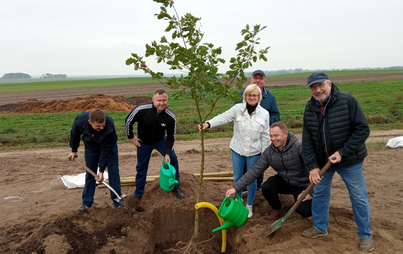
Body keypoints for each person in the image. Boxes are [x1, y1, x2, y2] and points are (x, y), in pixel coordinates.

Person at [301, 72, 374, 251]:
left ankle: (365, 234)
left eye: (321, 85)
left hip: (350, 160)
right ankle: (319, 227)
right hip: (322, 161)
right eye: (313, 87)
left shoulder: (347, 100)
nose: (318, 90)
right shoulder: (309, 109)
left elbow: (362, 130)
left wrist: (343, 152)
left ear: (330, 84)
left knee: (358, 197)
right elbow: (307, 141)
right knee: (320, 194)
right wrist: (312, 167)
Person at [199, 84, 271, 218]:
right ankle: (238, 202)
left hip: (254, 152)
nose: (252, 97)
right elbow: (224, 117)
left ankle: (249, 205)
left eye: (255, 95)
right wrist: (209, 124)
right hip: (237, 150)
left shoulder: (264, 114)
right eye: (249, 95)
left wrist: (265, 154)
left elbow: (265, 135)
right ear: (245, 96)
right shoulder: (238, 109)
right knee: (238, 178)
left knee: (252, 179)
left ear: (259, 97)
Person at [225, 122, 312, 220]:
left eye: (276, 135)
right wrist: (236, 188)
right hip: (285, 181)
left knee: (304, 211)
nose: (273, 139)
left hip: (302, 185)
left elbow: (317, 171)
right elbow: (255, 170)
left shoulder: (300, 147)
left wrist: (311, 192)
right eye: (271, 136)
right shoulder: (270, 152)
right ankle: (278, 209)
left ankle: (313, 203)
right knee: (267, 187)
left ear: (285, 134)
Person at [125, 89, 184, 199]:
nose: (161, 103)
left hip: (160, 140)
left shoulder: (170, 116)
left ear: (167, 100)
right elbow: (129, 120)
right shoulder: (141, 109)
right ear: (153, 100)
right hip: (143, 142)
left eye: (164, 100)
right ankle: (138, 194)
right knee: (141, 167)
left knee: (173, 158)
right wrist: (131, 137)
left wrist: (167, 153)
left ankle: (176, 187)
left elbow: (171, 136)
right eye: (159, 100)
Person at [68, 109, 127, 210]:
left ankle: (117, 199)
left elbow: (106, 150)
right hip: (91, 147)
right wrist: (74, 150)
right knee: (90, 173)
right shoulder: (80, 121)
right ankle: (87, 202)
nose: (102, 127)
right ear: (90, 122)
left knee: (113, 171)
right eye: (98, 126)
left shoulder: (109, 125)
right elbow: (74, 134)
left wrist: (101, 170)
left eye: (103, 124)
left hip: (109, 147)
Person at [238, 70, 280, 190]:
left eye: (260, 78)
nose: (257, 80)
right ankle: (243, 185)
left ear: (264, 80)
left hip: (260, 135)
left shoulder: (270, 98)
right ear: (251, 80)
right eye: (255, 78)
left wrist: (262, 121)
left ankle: (257, 186)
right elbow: (235, 113)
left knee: (259, 160)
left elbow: (276, 115)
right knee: (243, 160)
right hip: (244, 135)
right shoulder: (242, 95)